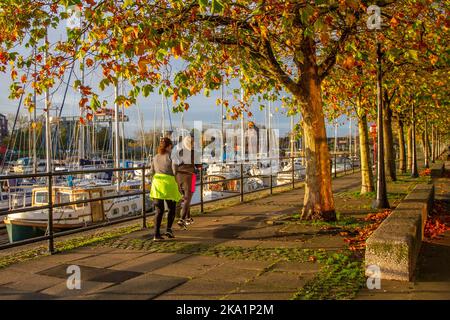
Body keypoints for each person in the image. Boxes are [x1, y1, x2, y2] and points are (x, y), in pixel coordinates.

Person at [150, 137, 182, 241]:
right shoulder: (172, 157)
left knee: (159, 210)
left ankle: (156, 234)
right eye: (171, 146)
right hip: (169, 184)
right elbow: (175, 171)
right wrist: (179, 185)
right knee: (171, 208)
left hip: (157, 184)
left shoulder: (155, 157)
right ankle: (168, 229)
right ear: (169, 146)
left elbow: (151, 171)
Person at [175, 135, 199, 229]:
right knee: (187, 199)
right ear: (192, 143)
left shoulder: (178, 152)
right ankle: (182, 219)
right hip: (190, 176)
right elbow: (199, 165)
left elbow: (174, 164)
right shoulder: (195, 153)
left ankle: (188, 218)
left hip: (179, 176)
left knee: (184, 197)